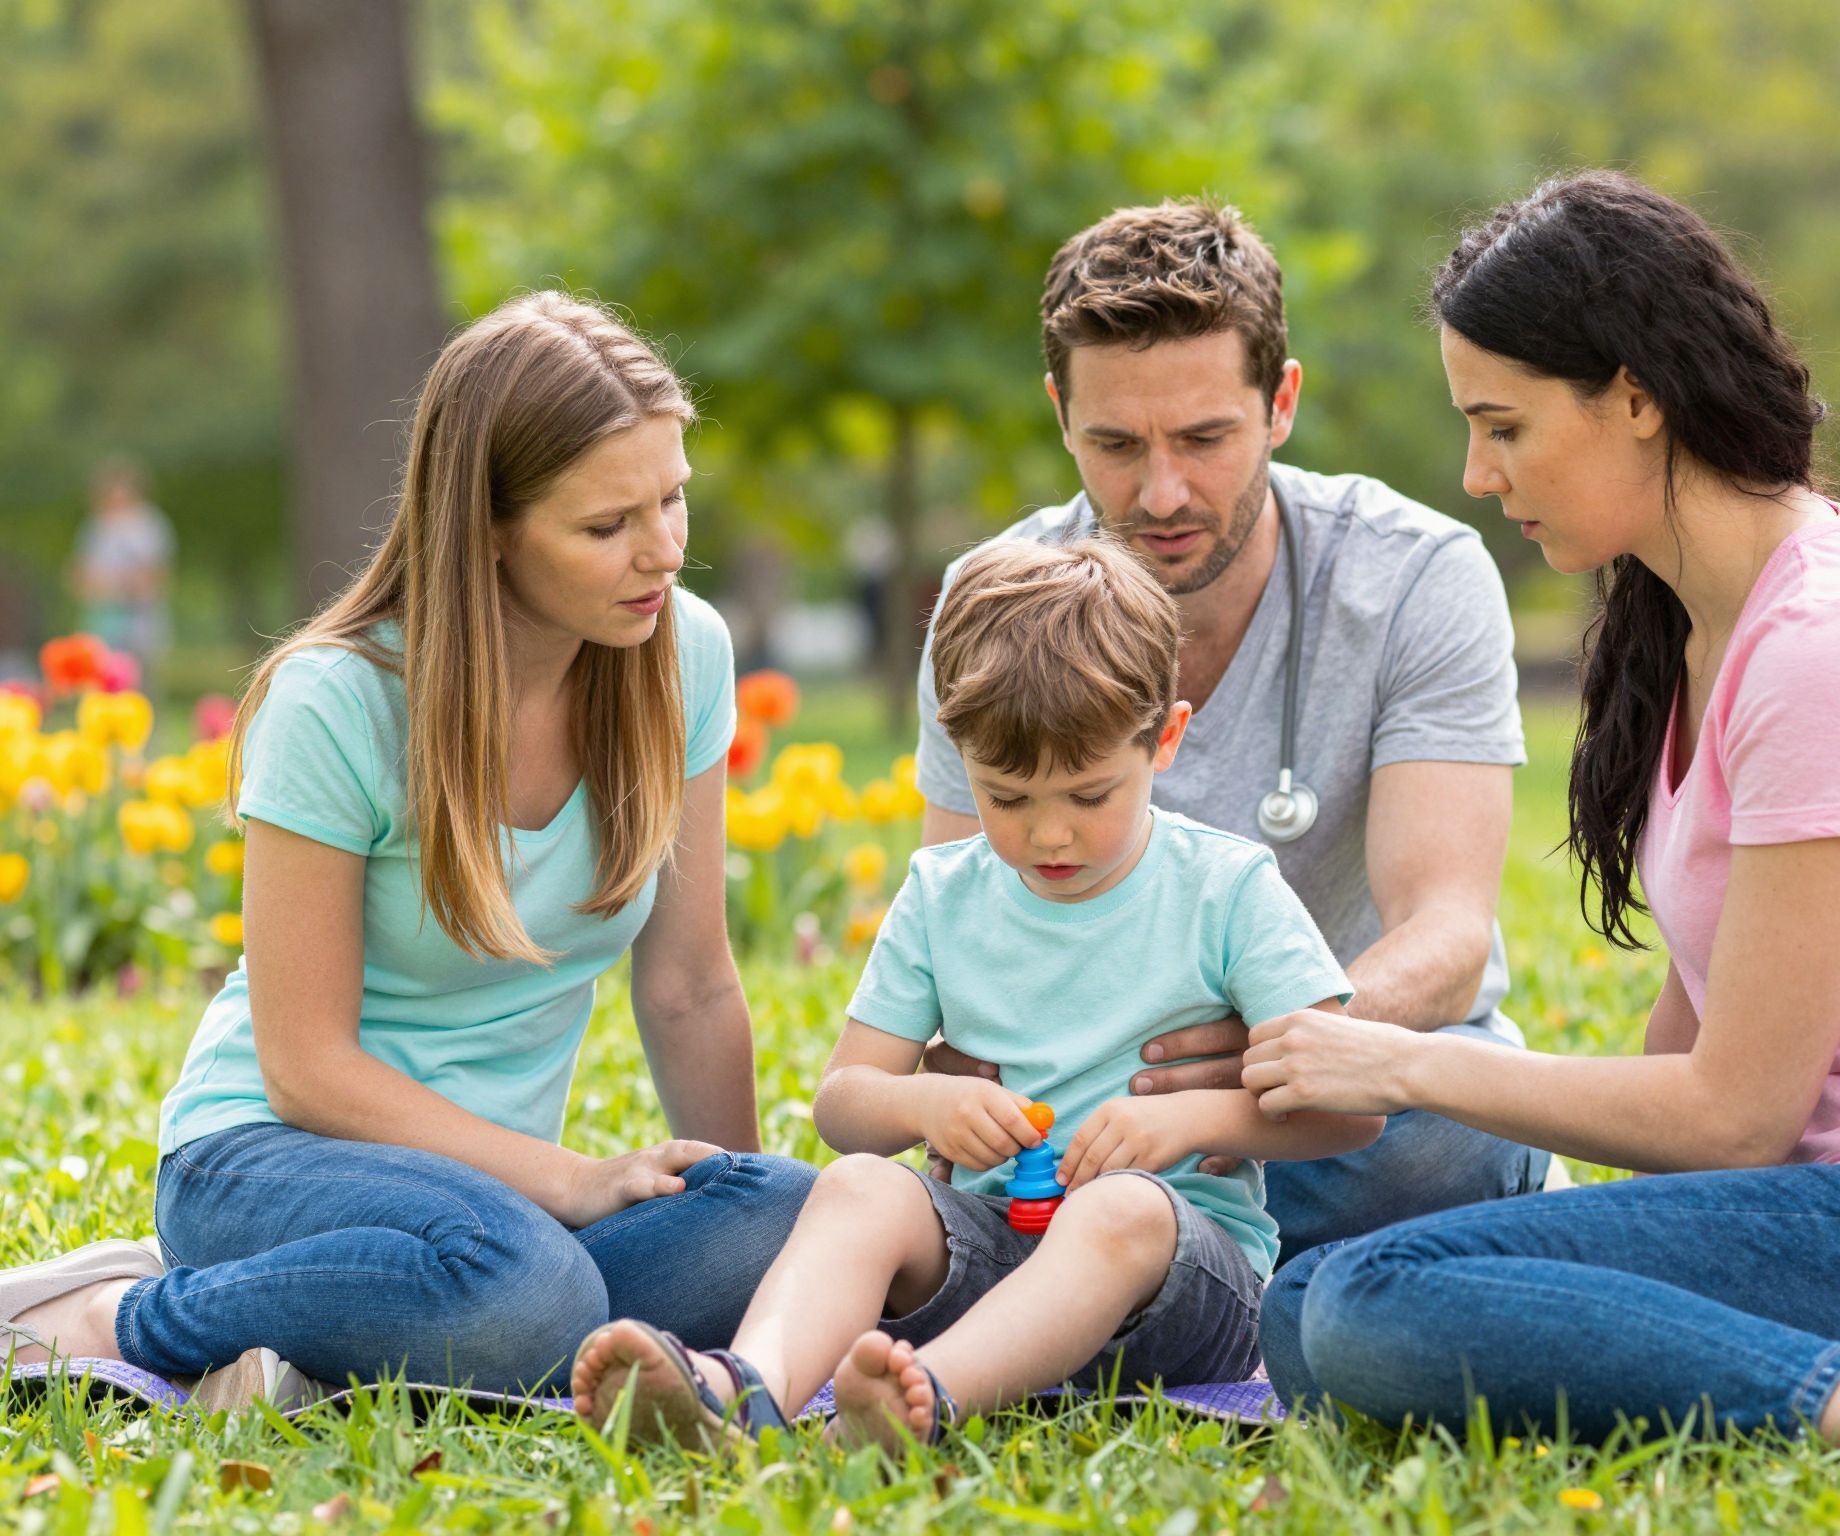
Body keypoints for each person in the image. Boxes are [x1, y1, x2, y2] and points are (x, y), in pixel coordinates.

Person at [1244, 171, 1840, 1470]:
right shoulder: (1692, 634)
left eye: (1503, 426)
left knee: (1364, 1302)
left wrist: (1400, 1064)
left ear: (1633, 396)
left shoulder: (1830, 639)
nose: (1477, 473)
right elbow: (1693, 1058)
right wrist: (1584, 1257)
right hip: (1839, 1205)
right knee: (1309, 1309)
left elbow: (1737, 1116)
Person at [0, 293, 816, 1398]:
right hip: (269, 1158)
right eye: (606, 526)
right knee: (525, 1294)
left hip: (495, 1205)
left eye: (672, 499)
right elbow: (305, 1068)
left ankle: (360, 1325)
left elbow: (689, 986)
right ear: (486, 526)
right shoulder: (335, 701)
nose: (664, 551)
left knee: (796, 1215)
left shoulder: (683, 656)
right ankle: (111, 1316)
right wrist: (569, 1180)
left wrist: (736, 1217)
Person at [570, 538, 1380, 1452]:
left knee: (1119, 1208)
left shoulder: (1226, 888)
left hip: (1178, 1283)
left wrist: (1188, 1122)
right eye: (1008, 797)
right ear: (964, 760)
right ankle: (741, 1393)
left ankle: (924, 1399)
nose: (1049, 834)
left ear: (1165, 738)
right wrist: (927, 1104)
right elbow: (843, 1107)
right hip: (990, 1248)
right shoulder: (943, 893)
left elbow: (1351, 1108)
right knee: (861, 1187)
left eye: (1089, 795)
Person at [916, 199, 1547, 1258]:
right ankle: (1158, 1263)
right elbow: (959, 918)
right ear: (1060, 414)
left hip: (1329, 1095)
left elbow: (1445, 938)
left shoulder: (1415, 576)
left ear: (1280, 403)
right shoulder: (988, 601)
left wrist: (1261, 1052)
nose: (1161, 493)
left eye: (1204, 438)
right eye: (1115, 444)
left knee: (1458, 1135)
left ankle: (1118, 1265)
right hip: (1095, 1113)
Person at [69, 459, 175, 681]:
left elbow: (156, 575)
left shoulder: (149, 525)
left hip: (140, 620)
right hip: (101, 619)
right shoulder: (94, 527)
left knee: (140, 679)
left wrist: (117, 584)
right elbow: (80, 576)